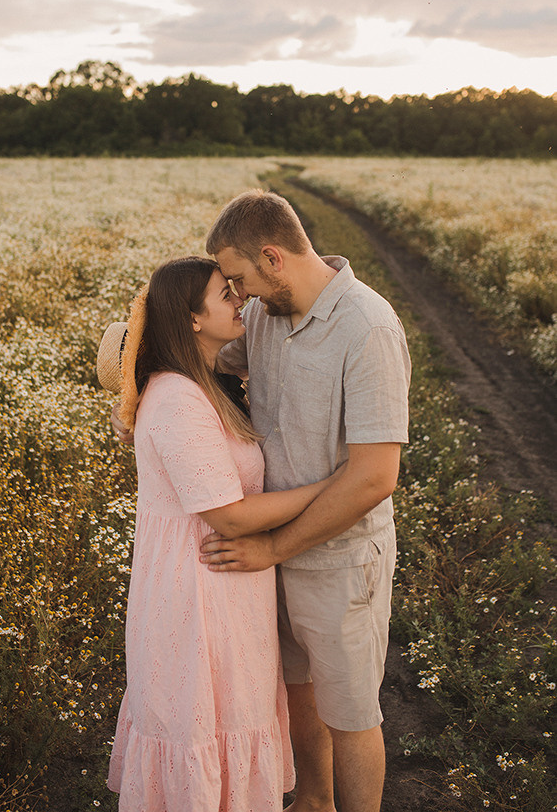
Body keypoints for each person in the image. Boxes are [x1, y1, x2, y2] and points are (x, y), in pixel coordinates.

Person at [98, 256, 338, 812]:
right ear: (191, 320)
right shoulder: (178, 400)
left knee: (228, 720)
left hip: (225, 584)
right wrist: (333, 486)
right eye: (225, 294)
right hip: (198, 594)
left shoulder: (208, 384)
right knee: (203, 725)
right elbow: (228, 516)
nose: (240, 301)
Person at [198, 190, 412, 812]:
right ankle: (313, 802)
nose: (238, 296)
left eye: (239, 280)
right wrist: (141, 384)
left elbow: (375, 477)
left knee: (351, 712)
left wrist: (273, 547)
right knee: (298, 690)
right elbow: (203, 357)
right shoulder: (265, 317)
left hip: (342, 558)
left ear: (273, 258)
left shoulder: (367, 327)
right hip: (276, 551)